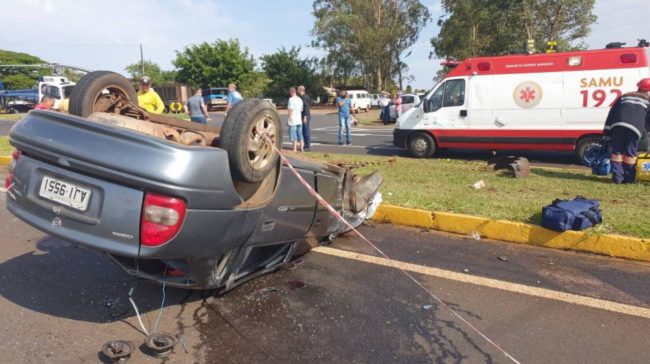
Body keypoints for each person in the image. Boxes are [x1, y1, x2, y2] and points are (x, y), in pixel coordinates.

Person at [603, 78, 650, 184]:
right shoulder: (648, 99)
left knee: (616, 153)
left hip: (617, 125)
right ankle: (629, 179)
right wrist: (646, 131)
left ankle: (617, 179)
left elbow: (612, 113)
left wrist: (606, 132)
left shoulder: (625, 95)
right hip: (635, 128)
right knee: (630, 154)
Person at [287, 87, 304, 152]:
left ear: (291, 92)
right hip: (299, 119)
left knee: (293, 134)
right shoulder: (300, 99)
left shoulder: (291, 99)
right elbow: (301, 109)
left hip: (293, 119)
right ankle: (302, 149)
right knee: (300, 134)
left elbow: (290, 110)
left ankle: (295, 149)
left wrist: (288, 119)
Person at [297, 85, 312, 151]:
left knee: (306, 131)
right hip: (305, 115)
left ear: (300, 90)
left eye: (298, 90)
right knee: (304, 131)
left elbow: (306, 107)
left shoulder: (304, 97)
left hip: (305, 116)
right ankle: (306, 145)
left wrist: (305, 117)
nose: (297, 91)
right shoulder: (304, 97)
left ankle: (307, 146)